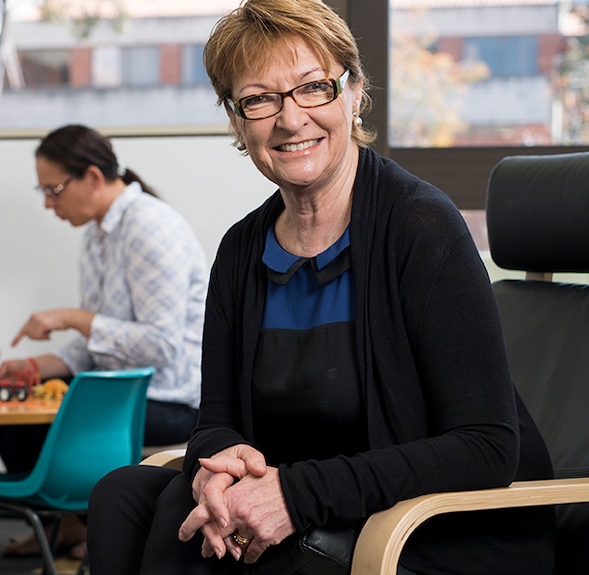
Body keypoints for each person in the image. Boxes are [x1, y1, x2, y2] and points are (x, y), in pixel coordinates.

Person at [86, 1, 557, 574]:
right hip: (315, 501)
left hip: (434, 525)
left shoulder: (421, 227)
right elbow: (215, 420)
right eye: (260, 99)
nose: (290, 119)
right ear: (238, 120)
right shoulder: (240, 251)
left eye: (313, 88)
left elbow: (486, 446)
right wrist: (215, 465)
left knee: (189, 534)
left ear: (353, 92)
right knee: (124, 497)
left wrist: (295, 495)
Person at [0, 124, 209, 560]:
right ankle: (70, 526)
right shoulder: (95, 238)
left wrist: (74, 318)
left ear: (92, 177)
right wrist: (37, 368)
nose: (48, 204)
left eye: (53, 189)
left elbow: (162, 345)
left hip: (173, 401)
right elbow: (101, 346)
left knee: (53, 418)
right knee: (9, 409)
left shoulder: (150, 225)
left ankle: (85, 529)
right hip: (122, 392)